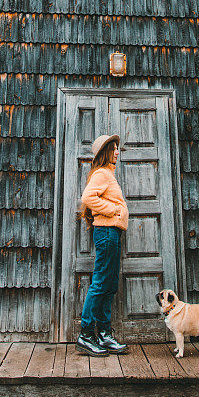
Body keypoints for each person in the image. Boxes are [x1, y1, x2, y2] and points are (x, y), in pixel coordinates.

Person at [76, 133, 129, 356]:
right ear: (105, 152)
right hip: (106, 232)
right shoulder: (101, 174)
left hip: (112, 233)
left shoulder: (108, 174)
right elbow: (88, 198)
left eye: (117, 148)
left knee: (109, 285)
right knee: (100, 283)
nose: (118, 152)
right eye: (114, 148)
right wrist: (113, 210)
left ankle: (104, 334)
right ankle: (86, 335)